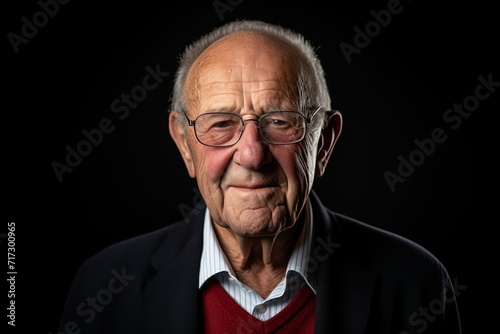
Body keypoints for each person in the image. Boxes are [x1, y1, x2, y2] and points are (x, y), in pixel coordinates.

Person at [57, 19, 462, 333]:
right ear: (184, 144)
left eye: (280, 121)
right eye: (220, 124)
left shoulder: (417, 284)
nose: (252, 155)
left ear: (324, 143)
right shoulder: (104, 286)